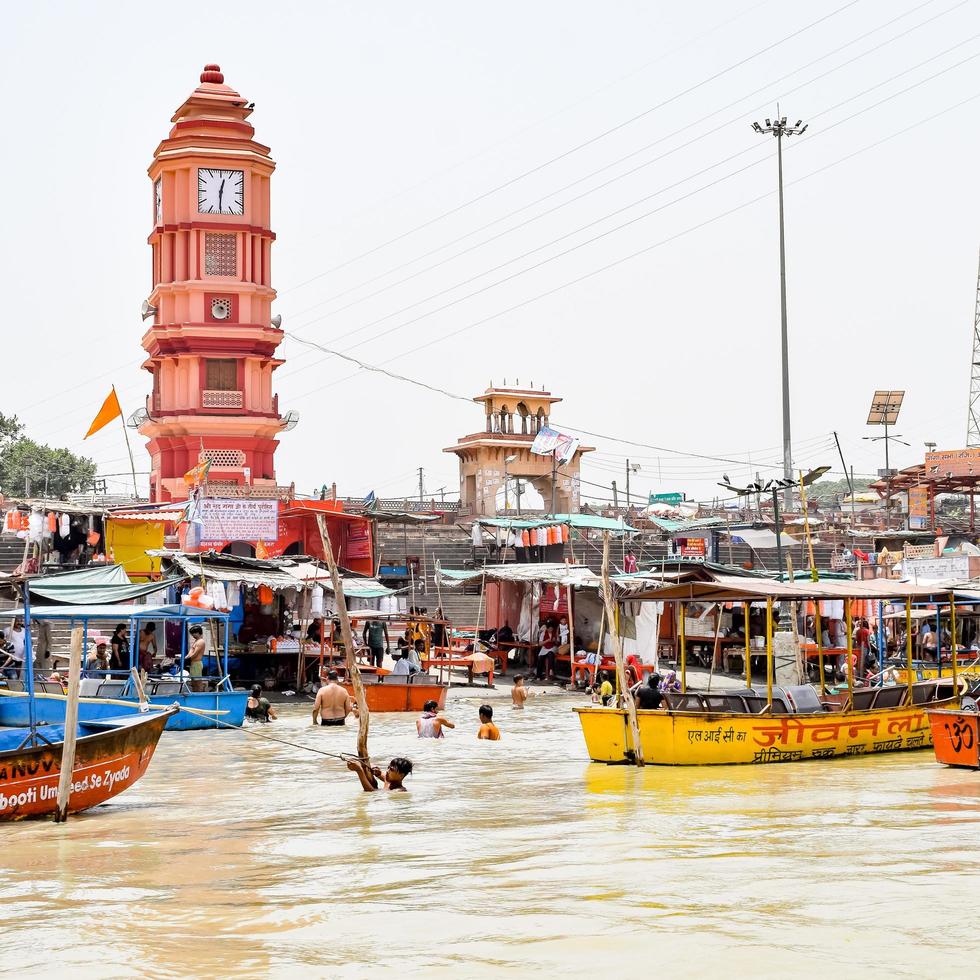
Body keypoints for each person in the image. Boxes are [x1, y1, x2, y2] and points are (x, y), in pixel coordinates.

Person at [347, 757, 413, 792]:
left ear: (401, 775)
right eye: (388, 767)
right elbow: (378, 771)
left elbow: (372, 793)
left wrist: (359, 771)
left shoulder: (400, 790)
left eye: (391, 770)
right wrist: (377, 771)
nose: (387, 771)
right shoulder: (388, 779)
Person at [186, 625, 207, 692]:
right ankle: (194, 693)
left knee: (198, 682)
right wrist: (187, 657)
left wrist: (188, 659)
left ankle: (199, 694)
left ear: (198, 632)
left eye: (193, 633)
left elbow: (195, 653)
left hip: (196, 663)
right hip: (193, 663)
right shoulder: (196, 641)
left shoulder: (200, 641)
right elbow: (191, 651)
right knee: (193, 682)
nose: (193, 635)